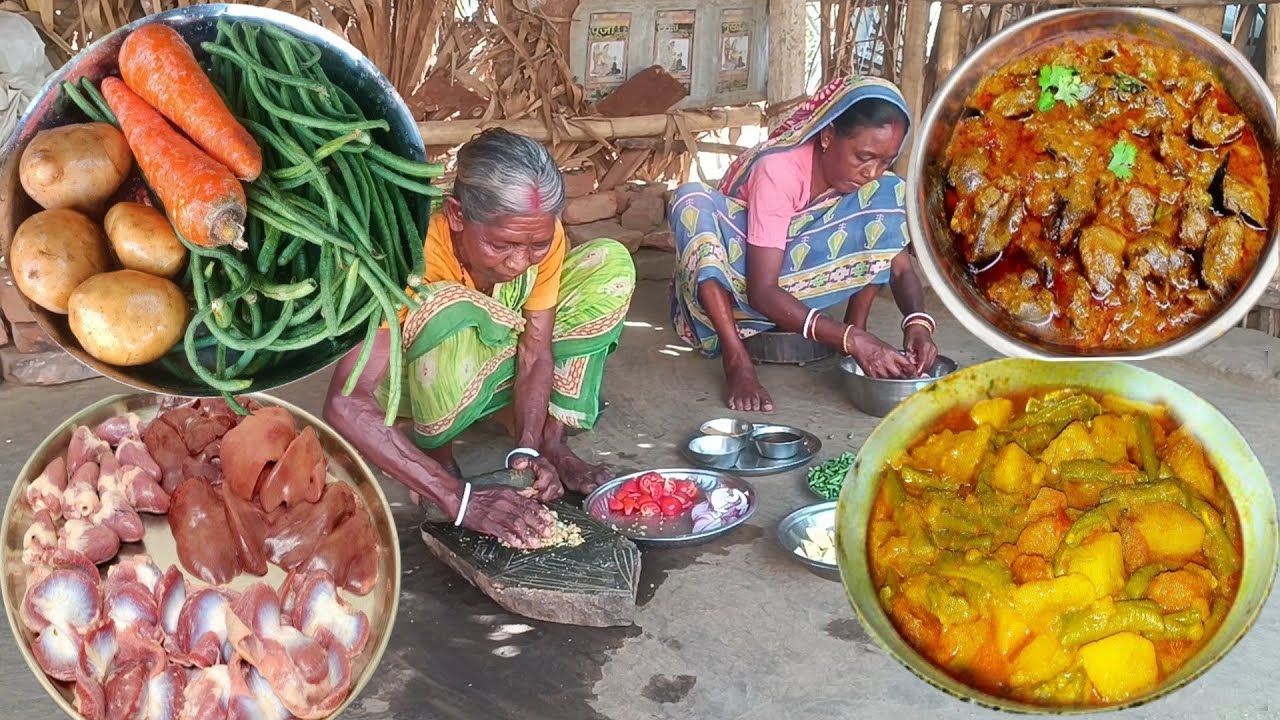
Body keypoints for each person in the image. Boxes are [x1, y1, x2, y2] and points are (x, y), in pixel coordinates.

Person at [325, 128, 636, 547]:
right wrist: (460, 498)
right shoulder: (407, 247)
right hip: (406, 385)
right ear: (457, 215)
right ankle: (439, 463)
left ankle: (551, 445)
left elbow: (535, 350)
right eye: (501, 244)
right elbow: (346, 402)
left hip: (493, 359)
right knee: (445, 306)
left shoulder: (539, 234)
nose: (519, 262)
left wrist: (527, 450)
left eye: (536, 246)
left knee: (608, 264)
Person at [668, 76, 939, 413]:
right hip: (741, 282)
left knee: (890, 193)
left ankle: (857, 324)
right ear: (827, 136)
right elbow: (762, 291)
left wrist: (917, 323)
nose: (872, 171)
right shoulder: (779, 170)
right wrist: (853, 341)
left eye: (884, 161)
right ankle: (737, 358)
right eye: (864, 157)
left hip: (795, 280)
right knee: (690, 201)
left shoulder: (872, 185)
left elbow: (899, 267)